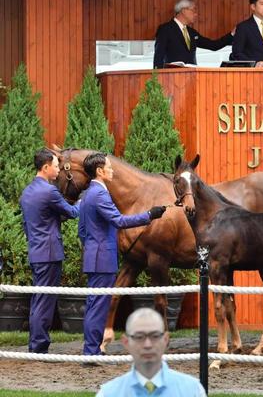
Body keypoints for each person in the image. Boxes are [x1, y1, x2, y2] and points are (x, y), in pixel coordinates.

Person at [79, 152, 167, 356]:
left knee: (94, 304)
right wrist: (149, 215)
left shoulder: (87, 194)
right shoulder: (100, 194)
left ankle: (90, 349)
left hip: (94, 256)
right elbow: (118, 221)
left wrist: (92, 247)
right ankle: (91, 352)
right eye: (109, 167)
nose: (112, 170)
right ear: (100, 171)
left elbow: (82, 231)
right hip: (103, 259)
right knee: (98, 305)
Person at [20, 148, 80, 354]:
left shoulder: (27, 192)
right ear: (45, 168)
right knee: (45, 301)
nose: (58, 170)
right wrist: (84, 199)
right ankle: (38, 347)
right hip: (49, 253)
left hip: (36, 251)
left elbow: (35, 222)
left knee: (39, 299)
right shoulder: (50, 191)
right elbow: (72, 212)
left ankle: (36, 344)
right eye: (55, 166)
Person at [96, 307, 206, 396]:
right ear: (126, 342)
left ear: (166, 340)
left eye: (155, 336)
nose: (147, 344)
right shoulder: (108, 393)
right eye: (139, 337)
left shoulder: (193, 391)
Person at [153, 0, 234, 68]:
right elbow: (158, 57)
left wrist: (232, 34)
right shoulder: (165, 29)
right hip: (171, 78)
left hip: (192, 78)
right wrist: (156, 80)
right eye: (194, 10)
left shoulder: (192, 32)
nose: (196, 14)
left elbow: (213, 45)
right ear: (184, 10)